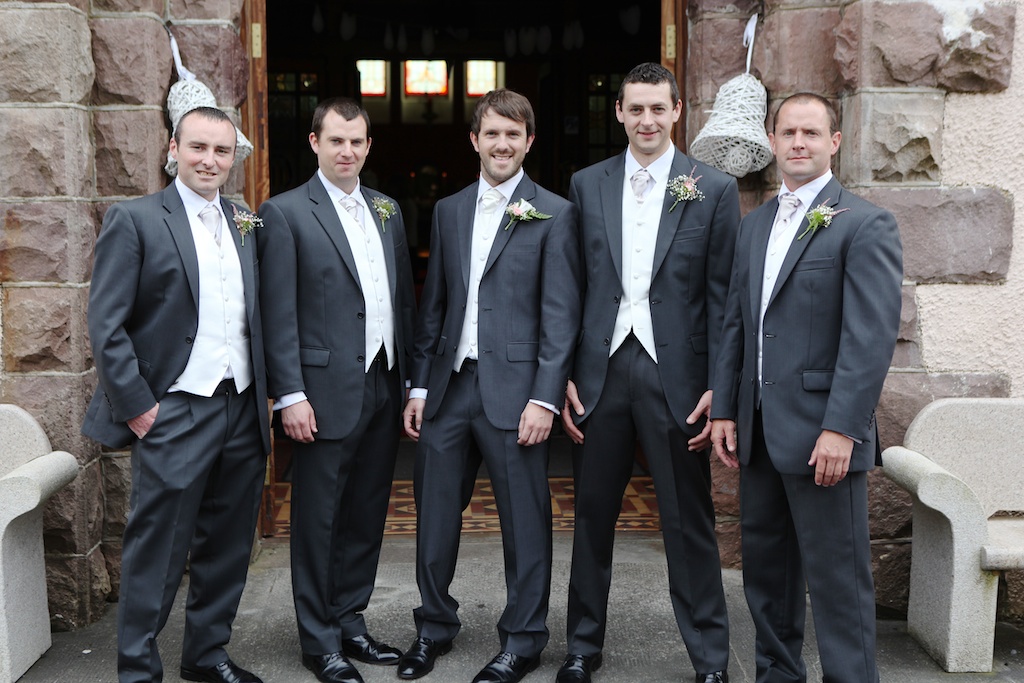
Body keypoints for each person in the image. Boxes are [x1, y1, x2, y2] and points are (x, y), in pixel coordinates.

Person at [710, 92, 903, 683]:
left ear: (833, 143)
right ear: (772, 140)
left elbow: (869, 339)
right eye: (788, 133)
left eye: (811, 134)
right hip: (760, 429)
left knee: (838, 578)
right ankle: (776, 673)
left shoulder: (866, 224)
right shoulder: (756, 225)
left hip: (826, 437)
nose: (799, 143)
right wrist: (725, 406)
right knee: (767, 570)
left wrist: (842, 427)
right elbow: (736, 322)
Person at [558, 62, 737, 683]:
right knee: (592, 514)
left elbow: (723, 299)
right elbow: (571, 288)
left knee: (689, 521)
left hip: (678, 379)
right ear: (619, 114)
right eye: (635, 109)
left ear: (677, 110)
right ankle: (582, 646)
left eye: (658, 108)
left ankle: (710, 658)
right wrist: (563, 376)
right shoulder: (587, 184)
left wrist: (721, 383)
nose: (647, 120)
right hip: (600, 369)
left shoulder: (711, 188)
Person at [398, 88, 582, 683]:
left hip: (518, 394)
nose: (502, 144)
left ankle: (523, 639)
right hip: (450, 390)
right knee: (434, 516)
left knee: (525, 522)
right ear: (474, 140)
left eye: (514, 134)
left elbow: (561, 318)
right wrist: (420, 388)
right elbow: (435, 307)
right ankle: (432, 627)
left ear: (529, 142)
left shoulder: (554, 211)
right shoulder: (450, 211)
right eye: (492, 134)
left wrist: (545, 398)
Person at [82, 106, 271, 683]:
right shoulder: (136, 218)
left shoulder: (244, 219)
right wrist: (140, 408)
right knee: (158, 545)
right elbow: (105, 324)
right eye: (198, 148)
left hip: (240, 404)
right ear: (174, 148)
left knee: (228, 540)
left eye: (221, 151)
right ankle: (138, 669)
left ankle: (206, 654)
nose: (210, 160)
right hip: (175, 407)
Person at [256, 97, 416, 683]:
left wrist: (409, 383)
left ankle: (350, 620)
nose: (347, 151)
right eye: (336, 141)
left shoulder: (388, 210)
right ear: (315, 144)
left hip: (382, 384)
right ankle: (317, 640)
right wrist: (290, 393)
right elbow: (277, 312)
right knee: (318, 518)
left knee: (367, 512)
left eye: (357, 141)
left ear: (368, 146)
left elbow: (402, 302)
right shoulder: (285, 212)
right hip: (320, 393)